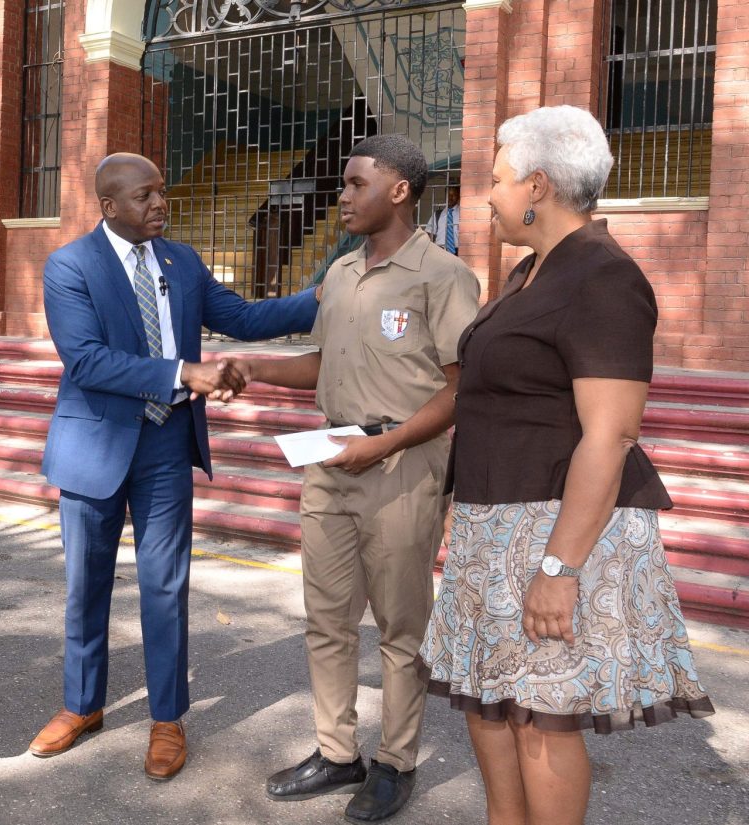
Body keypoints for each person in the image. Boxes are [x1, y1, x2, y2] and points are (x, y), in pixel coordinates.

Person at [419, 106, 714, 825]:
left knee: (541, 714)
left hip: (556, 529)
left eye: (496, 179)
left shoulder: (602, 276)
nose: (486, 196)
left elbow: (609, 436)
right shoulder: (532, 270)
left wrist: (559, 568)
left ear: (538, 186)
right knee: (492, 700)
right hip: (496, 523)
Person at [30, 152, 319, 780]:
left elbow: (241, 317)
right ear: (109, 205)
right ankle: (82, 705)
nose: (160, 204)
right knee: (87, 587)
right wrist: (182, 372)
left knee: (166, 588)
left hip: (165, 448)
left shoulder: (179, 261)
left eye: (162, 192)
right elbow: (86, 361)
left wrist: (320, 298)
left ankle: (167, 718)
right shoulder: (70, 266)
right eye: (144, 196)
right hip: (94, 450)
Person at [226, 135, 480, 821]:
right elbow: (324, 361)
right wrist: (254, 368)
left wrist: (389, 443)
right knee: (327, 618)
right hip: (329, 459)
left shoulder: (443, 275)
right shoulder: (340, 273)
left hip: (404, 463)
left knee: (400, 625)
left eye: (354, 183)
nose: (340, 195)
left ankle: (395, 762)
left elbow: (462, 389)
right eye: (341, 184)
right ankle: (338, 752)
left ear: (399, 190)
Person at [424, 185, 459, 254]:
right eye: (448, 195)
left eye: (453, 195)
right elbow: (429, 235)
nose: (450, 197)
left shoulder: (463, 214)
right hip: (439, 250)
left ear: (458, 196)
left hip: (458, 251)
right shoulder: (437, 214)